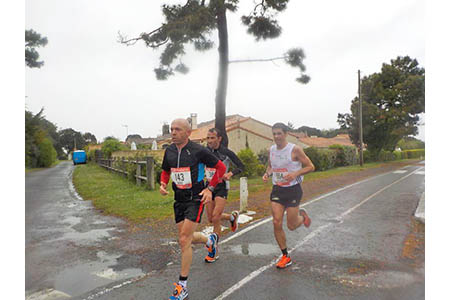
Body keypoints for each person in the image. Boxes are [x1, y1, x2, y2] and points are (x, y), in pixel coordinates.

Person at [160, 119, 226, 300]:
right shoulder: (170, 150)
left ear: (188, 133)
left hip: (195, 199)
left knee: (183, 240)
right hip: (178, 199)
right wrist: (163, 183)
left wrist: (209, 189)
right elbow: (166, 171)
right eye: (171, 129)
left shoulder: (199, 151)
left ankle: (182, 285)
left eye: (177, 129)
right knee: (186, 237)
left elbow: (221, 168)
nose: (173, 132)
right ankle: (210, 241)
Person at [262, 122, 315, 269]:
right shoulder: (271, 150)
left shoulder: (295, 149)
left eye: (279, 133)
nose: (276, 136)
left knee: (291, 226)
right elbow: (271, 166)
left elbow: (311, 166)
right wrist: (267, 174)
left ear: (285, 134)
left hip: (293, 190)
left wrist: (295, 174)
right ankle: (285, 255)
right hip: (278, 189)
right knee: (276, 222)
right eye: (274, 134)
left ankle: (303, 217)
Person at [203, 128, 246, 263]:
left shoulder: (226, 152)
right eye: (208, 138)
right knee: (211, 218)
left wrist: (230, 173)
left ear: (219, 138)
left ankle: (213, 250)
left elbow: (241, 166)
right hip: (208, 187)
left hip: (221, 187)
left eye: (212, 138)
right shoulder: (204, 152)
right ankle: (231, 217)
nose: (209, 141)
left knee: (216, 217)